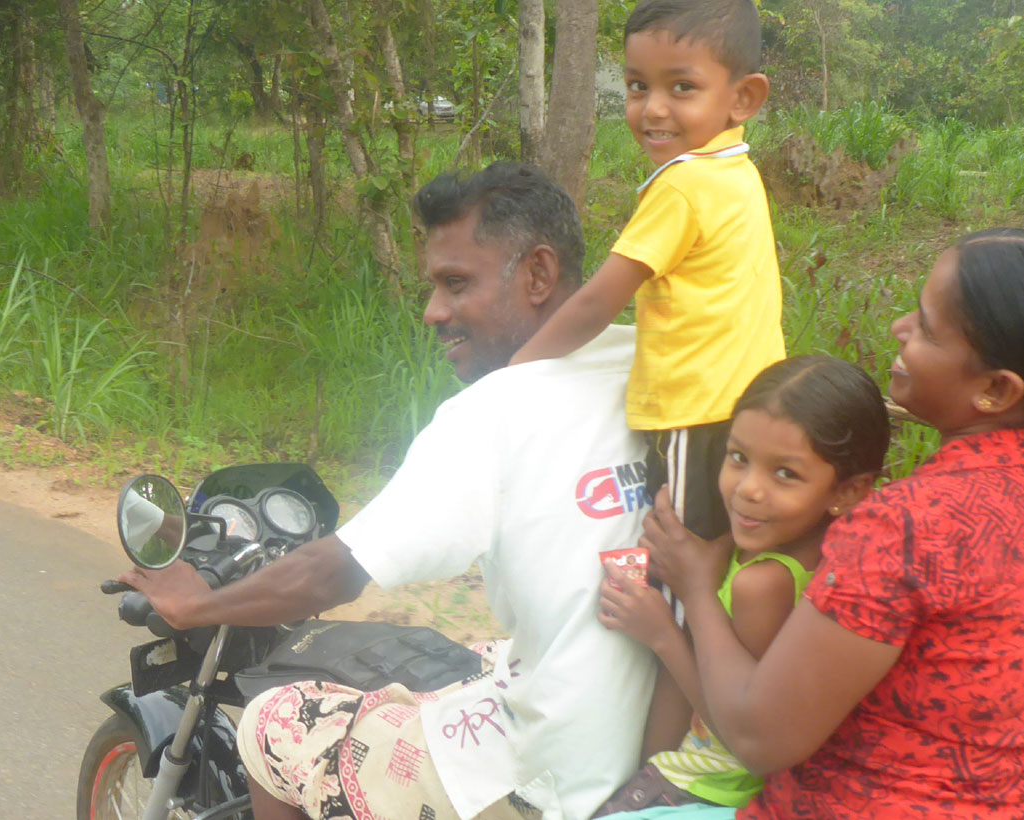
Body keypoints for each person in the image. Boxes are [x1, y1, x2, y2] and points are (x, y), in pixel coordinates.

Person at [117, 162, 659, 820]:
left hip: (552, 778)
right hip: (645, 742)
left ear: (539, 275)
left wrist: (199, 605)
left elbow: (336, 574)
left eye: (457, 284)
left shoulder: (490, 414)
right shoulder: (649, 366)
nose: (434, 311)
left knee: (271, 724)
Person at [623, 228, 1024, 820]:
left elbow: (761, 740)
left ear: (995, 389)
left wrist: (697, 592)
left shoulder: (910, 524)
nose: (900, 328)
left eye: (929, 327)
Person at [509, 0, 783, 541]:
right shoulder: (736, 168)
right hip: (752, 398)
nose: (653, 109)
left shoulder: (682, 185)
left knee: (677, 546)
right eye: (638, 86)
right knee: (725, 545)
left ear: (743, 97)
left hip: (693, 410)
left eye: (681, 87)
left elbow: (595, 302)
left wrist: (516, 370)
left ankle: (672, 627)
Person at [591, 356, 891, 815]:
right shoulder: (792, 550)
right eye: (738, 458)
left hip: (708, 789)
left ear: (848, 492)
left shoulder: (764, 583)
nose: (748, 488)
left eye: (785, 473)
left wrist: (663, 633)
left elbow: (739, 732)